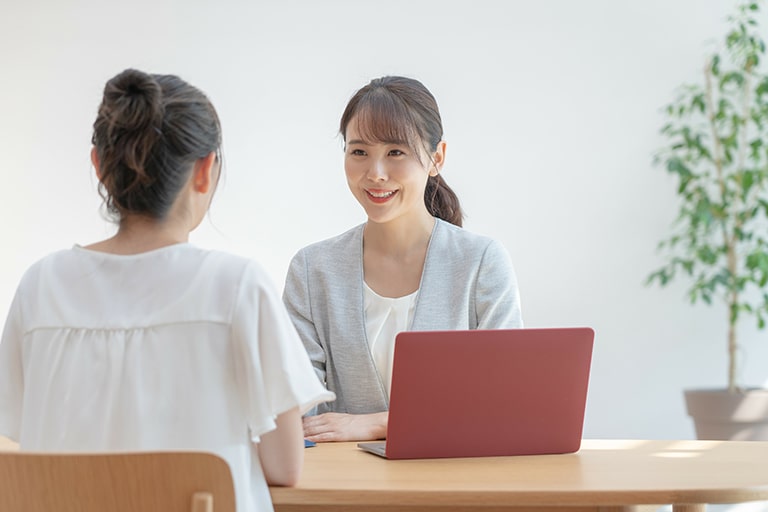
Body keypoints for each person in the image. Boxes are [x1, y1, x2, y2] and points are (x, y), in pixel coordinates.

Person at [0, 69, 333, 512]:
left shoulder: (41, 285)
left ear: (99, 167)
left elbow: (24, 440)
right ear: (205, 170)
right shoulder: (238, 286)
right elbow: (284, 467)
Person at [283, 75, 523, 443]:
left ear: (436, 158)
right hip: (346, 489)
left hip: (454, 486)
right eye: (359, 152)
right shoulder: (312, 269)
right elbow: (299, 416)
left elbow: (505, 404)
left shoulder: (481, 263)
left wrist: (378, 423)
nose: (375, 174)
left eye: (396, 152)